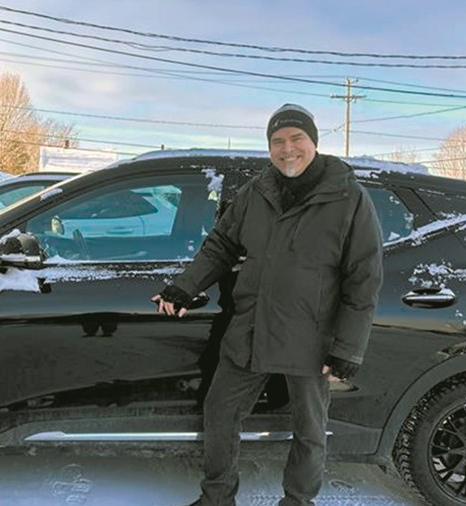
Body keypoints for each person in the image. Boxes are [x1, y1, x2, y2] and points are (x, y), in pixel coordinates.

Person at [153, 104, 383, 506]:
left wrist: (347, 347)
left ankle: (297, 501)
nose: (287, 149)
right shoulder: (257, 191)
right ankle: (217, 497)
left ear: (313, 142)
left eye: (297, 139)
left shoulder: (348, 197)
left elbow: (364, 277)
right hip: (252, 327)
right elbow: (222, 245)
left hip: (312, 334)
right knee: (220, 412)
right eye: (277, 141)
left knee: (310, 429)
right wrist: (184, 288)